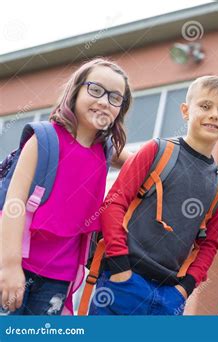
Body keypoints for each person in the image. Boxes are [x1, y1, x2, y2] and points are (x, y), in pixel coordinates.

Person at [89, 75, 218, 315]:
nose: (214, 115)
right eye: (205, 106)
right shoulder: (156, 150)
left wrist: (185, 289)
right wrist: (119, 266)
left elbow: (209, 244)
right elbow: (114, 202)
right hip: (123, 282)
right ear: (186, 111)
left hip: (169, 297)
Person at [0, 58, 132, 315]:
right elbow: (14, 205)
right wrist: (9, 265)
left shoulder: (105, 151)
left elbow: (147, 162)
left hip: (59, 279)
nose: (104, 101)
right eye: (95, 90)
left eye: (116, 98)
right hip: (16, 266)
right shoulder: (44, 139)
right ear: (75, 90)